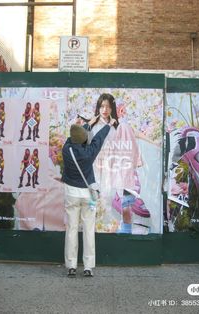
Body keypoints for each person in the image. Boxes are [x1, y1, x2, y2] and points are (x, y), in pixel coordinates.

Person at [86, 93, 150, 234]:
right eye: (102, 106)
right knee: (98, 203)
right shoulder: (94, 125)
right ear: (98, 107)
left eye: (108, 107)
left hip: (118, 167)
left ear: (112, 108)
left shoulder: (118, 124)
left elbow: (132, 136)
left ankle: (125, 234)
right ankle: (96, 232)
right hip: (99, 168)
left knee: (125, 207)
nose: (105, 110)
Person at [61, 116, 116, 277]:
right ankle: (88, 267)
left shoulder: (67, 149)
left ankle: (71, 265)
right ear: (84, 139)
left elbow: (74, 137)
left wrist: (88, 124)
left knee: (71, 229)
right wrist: (109, 125)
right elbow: (98, 139)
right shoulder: (89, 153)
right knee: (88, 229)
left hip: (71, 193)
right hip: (88, 195)